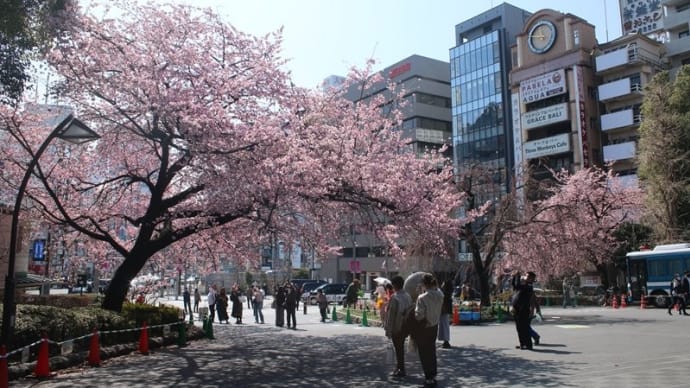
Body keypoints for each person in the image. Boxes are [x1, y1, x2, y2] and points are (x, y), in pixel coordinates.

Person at [413, 274, 444, 388]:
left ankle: (428, 377)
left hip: (424, 327)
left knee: (423, 352)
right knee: (431, 350)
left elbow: (418, 316)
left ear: (424, 284)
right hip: (435, 326)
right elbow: (438, 289)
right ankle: (433, 373)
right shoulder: (440, 294)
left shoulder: (422, 298)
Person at [384, 275, 412, 379]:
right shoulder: (407, 296)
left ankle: (401, 369)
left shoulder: (395, 298)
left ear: (395, 285)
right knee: (400, 348)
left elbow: (391, 316)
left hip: (397, 326)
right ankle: (399, 367)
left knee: (398, 349)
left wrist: (388, 330)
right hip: (406, 326)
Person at [512, 271, 536, 350]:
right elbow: (515, 286)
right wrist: (514, 276)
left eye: (528, 277)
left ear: (532, 279)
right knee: (519, 328)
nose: (526, 277)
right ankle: (522, 344)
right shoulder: (524, 285)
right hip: (517, 309)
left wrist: (518, 276)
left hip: (524, 309)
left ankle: (528, 345)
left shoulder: (528, 286)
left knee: (524, 328)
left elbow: (517, 285)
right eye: (526, 276)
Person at [437, 279, 453, 349]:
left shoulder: (445, 294)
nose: (442, 286)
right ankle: (445, 341)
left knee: (444, 325)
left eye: (443, 285)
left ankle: (446, 342)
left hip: (444, 310)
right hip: (444, 310)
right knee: (444, 325)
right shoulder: (446, 294)